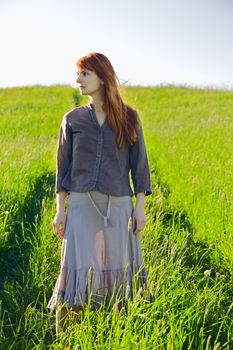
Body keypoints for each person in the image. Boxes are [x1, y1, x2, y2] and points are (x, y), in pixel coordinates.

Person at [47, 52, 152, 335]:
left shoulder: (129, 117)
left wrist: (139, 207)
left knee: (119, 268)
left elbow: (139, 166)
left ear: (102, 77)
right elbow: (63, 166)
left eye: (84, 74)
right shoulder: (72, 119)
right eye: (78, 74)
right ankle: (68, 337)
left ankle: (117, 334)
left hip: (118, 205)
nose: (78, 80)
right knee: (77, 268)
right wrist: (60, 209)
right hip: (81, 204)